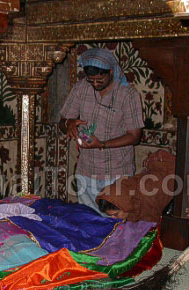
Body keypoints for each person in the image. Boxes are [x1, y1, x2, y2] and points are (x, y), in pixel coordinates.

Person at [59, 48, 144, 214]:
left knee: (113, 225)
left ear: (111, 72)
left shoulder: (127, 94)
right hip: (86, 170)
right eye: (91, 81)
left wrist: (102, 144)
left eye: (100, 79)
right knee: (90, 223)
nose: (95, 84)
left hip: (116, 172)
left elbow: (135, 136)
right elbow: (62, 122)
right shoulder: (81, 88)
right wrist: (69, 123)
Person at [96, 149, 175, 222]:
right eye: (111, 215)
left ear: (125, 207)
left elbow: (150, 223)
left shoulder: (146, 198)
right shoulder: (126, 191)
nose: (113, 218)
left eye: (116, 214)